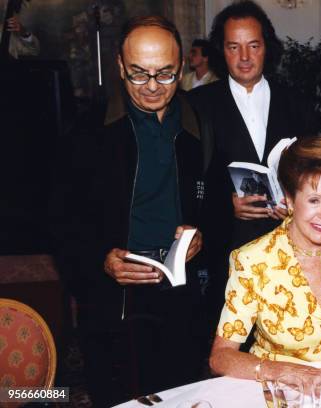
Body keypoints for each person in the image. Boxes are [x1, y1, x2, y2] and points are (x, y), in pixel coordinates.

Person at [50, 16, 212, 406]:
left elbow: (217, 204)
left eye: (165, 75)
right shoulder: (88, 130)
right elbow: (59, 222)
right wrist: (100, 259)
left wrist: (201, 232)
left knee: (182, 392)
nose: (153, 88)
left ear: (183, 68)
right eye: (139, 75)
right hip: (115, 300)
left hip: (180, 295)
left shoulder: (201, 123)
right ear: (120, 66)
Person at [209, 136, 321, 386]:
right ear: (291, 200)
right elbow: (221, 357)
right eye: (314, 200)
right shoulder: (252, 260)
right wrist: (286, 372)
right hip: (277, 390)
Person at [188, 0, 311, 252]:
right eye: (234, 47)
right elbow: (185, 179)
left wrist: (294, 200)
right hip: (224, 249)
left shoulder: (297, 102)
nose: (244, 57)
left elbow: (313, 170)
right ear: (222, 51)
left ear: (267, 47)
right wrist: (225, 203)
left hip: (289, 246)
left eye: (253, 46)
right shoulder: (196, 104)